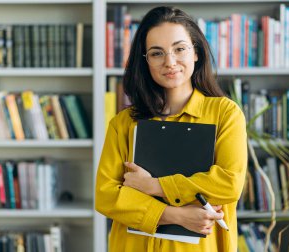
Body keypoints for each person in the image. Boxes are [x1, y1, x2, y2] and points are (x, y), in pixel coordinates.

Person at [95, 6, 247, 252]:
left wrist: (154, 186)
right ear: (145, 61)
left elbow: (229, 184)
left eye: (180, 49)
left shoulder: (225, 113)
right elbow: (106, 196)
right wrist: (173, 214)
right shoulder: (123, 123)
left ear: (195, 52)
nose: (170, 62)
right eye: (157, 53)